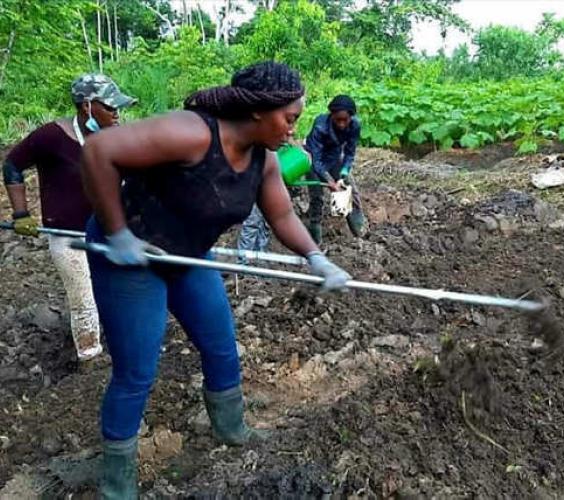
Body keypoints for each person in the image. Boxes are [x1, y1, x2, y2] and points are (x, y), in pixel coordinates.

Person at [80, 61, 351, 499]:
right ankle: (118, 484)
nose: (292, 131)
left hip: (189, 255)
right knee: (137, 371)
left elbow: (280, 214)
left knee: (222, 346)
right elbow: (98, 152)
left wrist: (316, 258)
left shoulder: (263, 161)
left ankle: (232, 430)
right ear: (259, 112)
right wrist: (117, 233)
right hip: (132, 255)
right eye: (290, 119)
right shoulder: (192, 133)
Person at [2, 73, 136, 362]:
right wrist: (21, 213)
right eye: (110, 107)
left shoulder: (115, 139)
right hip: (70, 238)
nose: (117, 113)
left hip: (109, 232)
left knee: (117, 292)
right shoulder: (52, 137)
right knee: (84, 299)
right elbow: (12, 165)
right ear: (87, 106)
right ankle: (90, 358)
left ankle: (122, 348)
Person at [304, 95, 366, 244]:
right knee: (317, 197)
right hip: (313, 159)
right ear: (331, 115)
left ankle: (354, 232)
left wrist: (343, 174)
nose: (342, 124)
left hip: (334, 157)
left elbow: (350, 153)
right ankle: (315, 237)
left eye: (345, 120)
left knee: (344, 189)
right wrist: (330, 182)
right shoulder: (320, 126)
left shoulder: (355, 126)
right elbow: (316, 160)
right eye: (338, 119)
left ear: (351, 117)